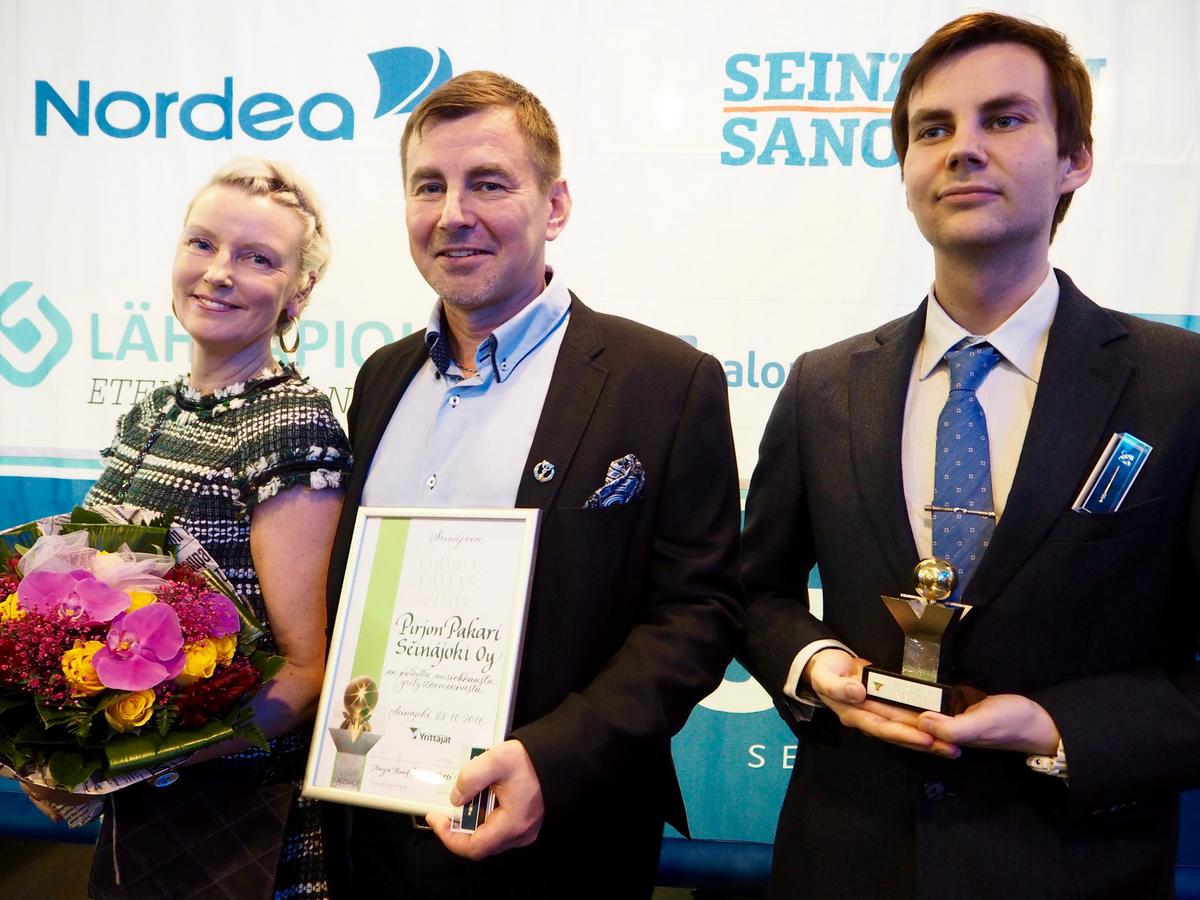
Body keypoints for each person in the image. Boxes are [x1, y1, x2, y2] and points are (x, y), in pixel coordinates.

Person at [740, 12, 1200, 899]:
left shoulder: (1179, 386)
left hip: (1076, 870)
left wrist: (1060, 727)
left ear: (1075, 159)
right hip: (847, 862)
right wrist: (815, 665)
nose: (962, 149)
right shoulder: (823, 386)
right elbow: (754, 593)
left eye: (1005, 118)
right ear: (906, 169)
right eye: (933, 128)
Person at [322, 70, 743, 898]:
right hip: (370, 836)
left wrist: (553, 761)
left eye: (488, 183)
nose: (453, 214)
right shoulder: (381, 378)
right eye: (429, 186)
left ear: (555, 206)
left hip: (565, 841)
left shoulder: (663, 381)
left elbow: (699, 613)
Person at [83, 158, 351, 899]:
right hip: (139, 823)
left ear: (300, 291)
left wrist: (133, 758)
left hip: (242, 836)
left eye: (258, 258)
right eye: (202, 243)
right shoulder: (151, 414)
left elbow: (307, 674)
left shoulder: (290, 425)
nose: (218, 273)